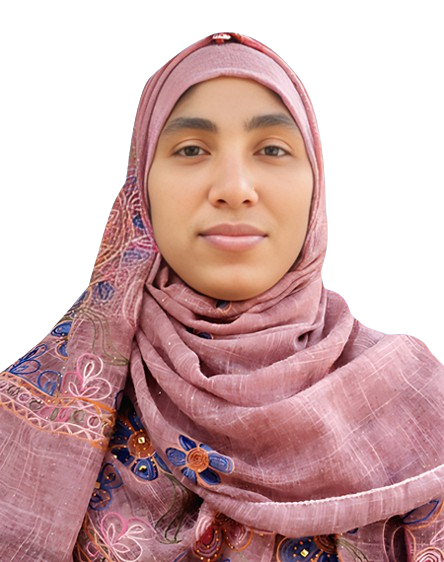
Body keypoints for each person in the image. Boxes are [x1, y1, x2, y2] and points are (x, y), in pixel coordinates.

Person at [0, 32, 442, 562]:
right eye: (191, 149)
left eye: (272, 150)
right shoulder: (33, 418)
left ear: (316, 184)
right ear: (141, 186)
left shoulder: (419, 408)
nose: (234, 188)